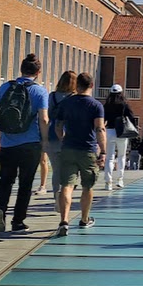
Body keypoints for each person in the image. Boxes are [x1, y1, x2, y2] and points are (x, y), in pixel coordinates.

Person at [0, 53, 50, 233]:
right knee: (25, 184)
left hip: (8, 143)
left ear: (21, 70)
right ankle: (18, 221)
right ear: (38, 72)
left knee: (6, 180)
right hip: (30, 144)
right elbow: (44, 119)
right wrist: (45, 141)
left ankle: (0, 208)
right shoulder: (39, 91)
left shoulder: (5, 87)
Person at [53, 72, 107, 236]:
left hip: (68, 148)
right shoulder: (96, 105)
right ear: (91, 85)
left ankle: (64, 220)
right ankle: (84, 219)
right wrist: (103, 151)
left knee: (67, 186)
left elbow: (58, 126)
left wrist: (63, 139)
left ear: (76, 86)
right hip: (87, 150)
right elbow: (99, 129)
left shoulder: (66, 103)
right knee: (87, 186)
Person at [45, 71, 77, 209]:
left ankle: (57, 198)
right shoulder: (75, 98)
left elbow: (45, 117)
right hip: (70, 137)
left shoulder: (51, 96)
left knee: (56, 170)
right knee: (71, 170)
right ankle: (65, 197)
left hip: (52, 137)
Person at [103, 84, 136, 190]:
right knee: (121, 156)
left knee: (109, 158)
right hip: (122, 132)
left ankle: (108, 182)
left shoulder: (106, 105)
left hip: (109, 131)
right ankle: (120, 180)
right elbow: (131, 117)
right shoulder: (124, 104)